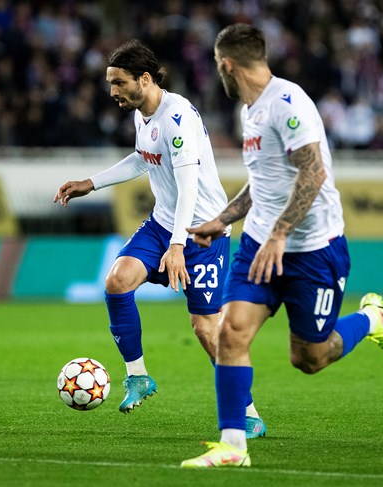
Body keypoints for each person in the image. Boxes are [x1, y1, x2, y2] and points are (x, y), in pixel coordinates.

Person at [181, 24, 383, 468]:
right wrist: (223, 219)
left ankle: (370, 319)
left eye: (216, 65)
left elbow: (313, 173)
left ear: (227, 64)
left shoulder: (289, 103)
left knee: (310, 358)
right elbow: (265, 182)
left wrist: (281, 234)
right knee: (231, 331)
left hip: (314, 250)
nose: (216, 73)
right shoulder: (251, 110)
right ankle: (233, 447)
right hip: (259, 245)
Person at [54, 39, 266, 439]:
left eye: (118, 82)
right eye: (110, 83)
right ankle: (138, 376)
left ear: (145, 79)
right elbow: (142, 157)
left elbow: (188, 187)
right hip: (162, 223)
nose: (112, 91)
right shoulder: (142, 113)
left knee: (206, 329)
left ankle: (249, 412)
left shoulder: (177, 117)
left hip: (202, 231)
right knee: (117, 280)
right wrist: (91, 183)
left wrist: (178, 246)